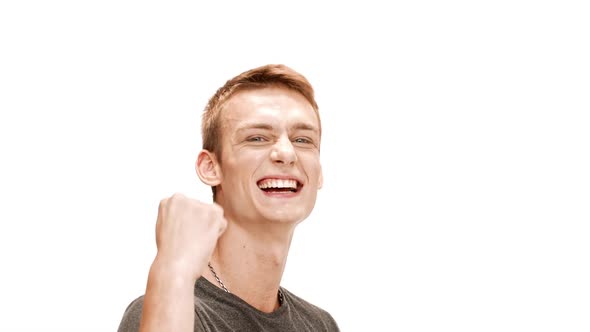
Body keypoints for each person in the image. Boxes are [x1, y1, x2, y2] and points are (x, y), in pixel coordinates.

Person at [117, 64, 339, 332]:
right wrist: (172, 271)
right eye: (257, 138)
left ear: (319, 173)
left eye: (303, 140)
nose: (286, 152)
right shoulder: (168, 307)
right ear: (210, 167)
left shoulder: (319, 325)